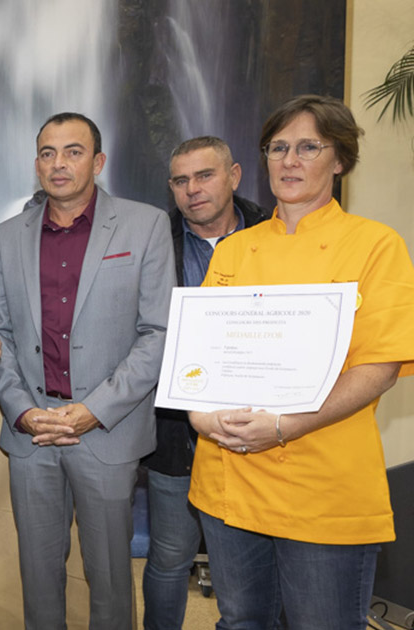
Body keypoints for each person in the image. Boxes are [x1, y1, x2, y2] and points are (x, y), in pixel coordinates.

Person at [188, 95, 414, 629]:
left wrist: (285, 425)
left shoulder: (376, 245)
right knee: (242, 620)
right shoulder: (234, 251)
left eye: (308, 147)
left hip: (322, 482)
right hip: (229, 476)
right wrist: (198, 414)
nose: (289, 160)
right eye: (278, 147)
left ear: (339, 160)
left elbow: (378, 365)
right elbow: (199, 356)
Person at [0, 112, 173, 629]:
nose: (58, 163)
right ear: (36, 165)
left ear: (98, 161)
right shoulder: (5, 237)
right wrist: (23, 412)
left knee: (111, 579)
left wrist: (95, 410)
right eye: (47, 153)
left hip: (106, 432)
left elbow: (158, 332)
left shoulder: (146, 224)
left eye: (72, 151)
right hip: (33, 436)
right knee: (38, 576)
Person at [141, 136, 267, 630]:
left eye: (205, 175)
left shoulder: (275, 231)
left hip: (260, 432)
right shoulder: (154, 239)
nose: (193, 189)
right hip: (175, 432)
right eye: (180, 180)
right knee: (170, 555)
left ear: (234, 176)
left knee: (252, 561)